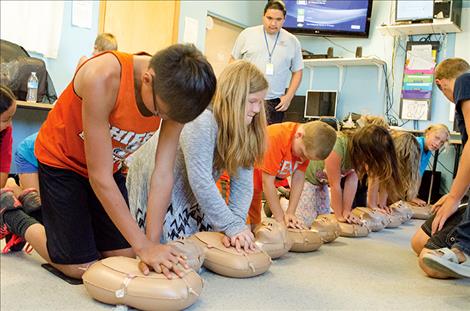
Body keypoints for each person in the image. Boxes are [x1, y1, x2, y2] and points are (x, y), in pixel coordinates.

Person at [0, 44, 216, 280]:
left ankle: (38, 208)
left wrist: (151, 244)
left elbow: (163, 173)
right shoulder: (102, 76)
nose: (163, 120)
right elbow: (98, 176)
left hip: (108, 167)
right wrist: (144, 247)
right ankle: (12, 215)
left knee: (124, 257)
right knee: (80, 268)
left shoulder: (177, 96)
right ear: (147, 79)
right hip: (62, 162)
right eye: (159, 113)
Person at [127, 60, 268, 252]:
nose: (258, 109)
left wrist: (236, 225)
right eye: (252, 102)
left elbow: (243, 182)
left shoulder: (246, 126)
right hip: (157, 185)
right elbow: (200, 179)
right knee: (182, 255)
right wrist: (231, 227)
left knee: (210, 245)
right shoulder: (201, 119)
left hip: (190, 192)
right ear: (234, 98)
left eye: (260, 102)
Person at [410, 58, 470, 278]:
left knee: (430, 264)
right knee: (419, 242)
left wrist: (454, 196)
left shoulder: (464, 80)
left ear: (440, 83)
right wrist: (458, 194)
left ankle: (463, 250)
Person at [297, 125, 402, 227]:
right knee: (307, 219)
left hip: (321, 183)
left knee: (323, 216)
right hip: (305, 177)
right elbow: (335, 185)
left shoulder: (359, 155)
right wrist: (339, 215)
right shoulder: (337, 146)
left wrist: (347, 211)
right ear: (365, 151)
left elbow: (351, 181)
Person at [248, 120, 337, 228]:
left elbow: (299, 178)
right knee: (240, 229)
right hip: (235, 182)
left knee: (254, 228)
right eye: (302, 153)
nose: (302, 159)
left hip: (256, 187)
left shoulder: (306, 144)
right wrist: (281, 219)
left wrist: (290, 212)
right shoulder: (276, 137)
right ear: (299, 135)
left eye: (307, 158)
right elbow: (267, 182)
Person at [230, 0, 303, 125]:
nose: (273, 23)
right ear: (263, 16)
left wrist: (289, 97)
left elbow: (298, 71)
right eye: (269, 18)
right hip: (247, 98)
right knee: (244, 139)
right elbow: (232, 63)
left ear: (284, 20)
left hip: (275, 103)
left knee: (269, 141)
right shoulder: (247, 34)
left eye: (278, 19)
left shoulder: (292, 41)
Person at [411, 124, 450, 206]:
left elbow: (419, 174)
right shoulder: (415, 144)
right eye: (436, 138)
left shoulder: (428, 151)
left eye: (441, 142)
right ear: (428, 133)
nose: (437, 144)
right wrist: (411, 197)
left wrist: (414, 196)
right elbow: (406, 172)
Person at [0, 85, 16, 189]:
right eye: (5, 120)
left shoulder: (6, 130)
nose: (10, 124)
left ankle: (12, 183)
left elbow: (3, 167)